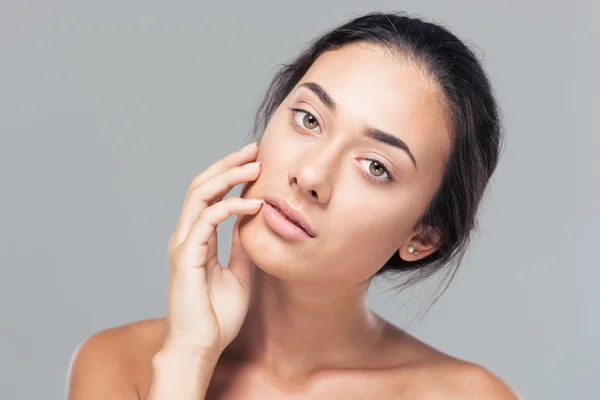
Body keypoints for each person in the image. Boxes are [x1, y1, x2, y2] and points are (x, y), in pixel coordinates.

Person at [66, 11, 520, 399]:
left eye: (376, 166)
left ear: (422, 237)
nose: (311, 176)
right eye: (309, 119)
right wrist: (189, 355)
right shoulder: (121, 365)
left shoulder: (468, 395)